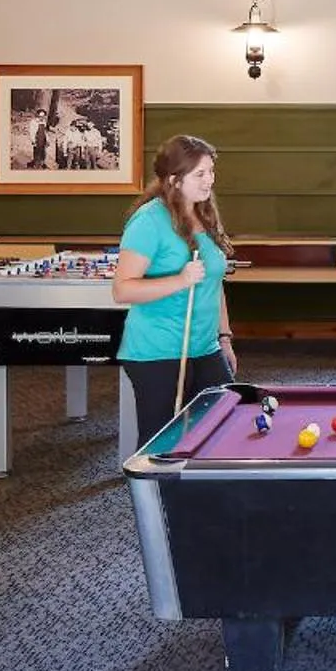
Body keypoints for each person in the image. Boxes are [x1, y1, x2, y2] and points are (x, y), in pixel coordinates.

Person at [113, 134, 239, 441]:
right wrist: (180, 280)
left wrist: (224, 337)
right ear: (174, 179)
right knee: (162, 442)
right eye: (200, 174)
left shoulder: (203, 213)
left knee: (221, 425)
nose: (210, 180)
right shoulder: (150, 221)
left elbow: (213, 283)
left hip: (205, 347)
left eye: (211, 171)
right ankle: (151, 491)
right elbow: (122, 290)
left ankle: (200, 491)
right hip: (157, 351)